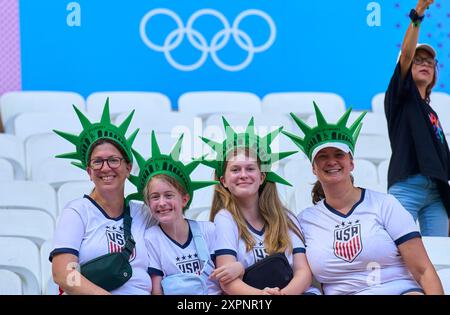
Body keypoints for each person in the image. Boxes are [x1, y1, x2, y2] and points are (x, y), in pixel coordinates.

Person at [283, 102, 444, 295]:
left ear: (351, 163)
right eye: (322, 156)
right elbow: (302, 276)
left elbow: (424, 270)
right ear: (313, 168)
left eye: (339, 154)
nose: (331, 161)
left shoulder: (385, 204)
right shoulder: (305, 221)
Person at [50, 99, 154, 294]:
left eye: (114, 160)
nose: (106, 168)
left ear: (128, 167)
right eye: (98, 162)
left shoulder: (144, 213)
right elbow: (63, 274)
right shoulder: (77, 211)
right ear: (89, 171)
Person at [203, 117, 315, 295]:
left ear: (262, 177)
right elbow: (227, 282)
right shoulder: (225, 218)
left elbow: (303, 271)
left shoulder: (286, 218)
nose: (243, 175)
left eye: (250, 168)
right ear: (223, 180)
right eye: (235, 169)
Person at [127, 131, 243, 295]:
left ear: (184, 199)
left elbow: (229, 274)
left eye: (169, 195)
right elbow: (156, 289)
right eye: (154, 197)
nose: (162, 203)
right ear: (147, 203)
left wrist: (239, 267)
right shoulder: (151, 238)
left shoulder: (208, 230)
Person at [385, 0, 450, 236]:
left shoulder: (432, 113)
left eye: (430, 62)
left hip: (437, 193)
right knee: (397, 252)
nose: (425, 64)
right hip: (406, 186)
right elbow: (405, 55)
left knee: (441, 258)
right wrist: (418, 14)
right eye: (418, 60)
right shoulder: (400, 96)